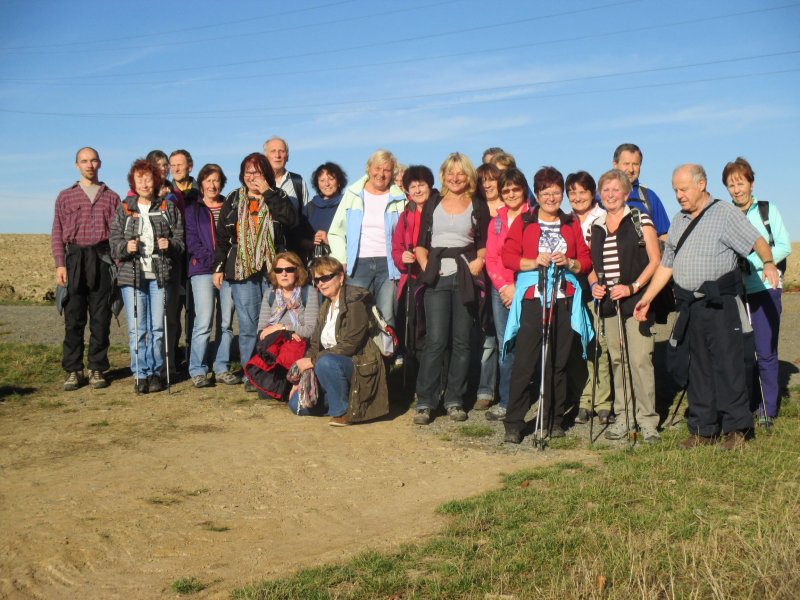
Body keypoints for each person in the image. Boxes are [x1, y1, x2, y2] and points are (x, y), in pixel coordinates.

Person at [634, 164, 779, 450]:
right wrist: (648, 296)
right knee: (697, 368)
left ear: (701, 185)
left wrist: (770, 262)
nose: (678, 195)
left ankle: (736, 430)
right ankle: (703, 428)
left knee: (729, 366)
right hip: (690, 306)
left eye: (683, 189)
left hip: (721, 304)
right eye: (675, 189)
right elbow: (668, 265)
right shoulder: (678, 220)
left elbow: (756, 240)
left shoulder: (723, 212)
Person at [501, 166, 592, 442]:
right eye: (545, 192)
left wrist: (572, 263)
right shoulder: (525, 221)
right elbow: (507, 255)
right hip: (533, 300)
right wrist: (533, 261)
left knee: (558, 361)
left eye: (556, 192)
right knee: (526, 362)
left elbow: (585, 259)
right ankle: (514, 423)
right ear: (537, 194)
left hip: (564, 300)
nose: (551, 198)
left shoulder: (570, 223)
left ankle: (552, 420)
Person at [413, 153, 490, 424]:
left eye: (460, 173)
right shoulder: (433, 202)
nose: (455, 177)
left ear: (468, 176)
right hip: (437, 276)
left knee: (462, 341)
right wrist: (425, 265)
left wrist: (480, 260)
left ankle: (455, 400)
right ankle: (425, 401)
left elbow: (483, 241)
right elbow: (421, 242)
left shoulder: (477, 204)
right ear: (444, 175)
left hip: (465, 276)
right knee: (435, 340)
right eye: (450, 173)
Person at [213, 153, 297, 392]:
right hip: (242, 269)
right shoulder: (232, 199)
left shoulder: (277, 195)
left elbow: (291, 221)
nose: (252, 177)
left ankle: (272, 371)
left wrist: (269, 193)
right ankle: (251, 372)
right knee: (249, 325)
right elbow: (221, 238)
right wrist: (218, 267)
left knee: (275, 321)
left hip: (273, 268)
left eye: (257, 172)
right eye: (248, 172)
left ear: (266, 175)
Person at [589, 170, 661, 442]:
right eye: (605, 190)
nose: (610, 194)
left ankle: (647, 421)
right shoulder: (595, 225)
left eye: (615, 190)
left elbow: (655, 260)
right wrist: (595, 283)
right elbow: (593, 268)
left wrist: (633, 287)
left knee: (640, 360)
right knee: (618, 360)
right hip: (609, 304)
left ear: (626, 193)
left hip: (636, 300)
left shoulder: (640, 219)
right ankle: (624, 417)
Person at [723, 157, 791, 427]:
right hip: (737, 292)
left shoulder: (767, 210)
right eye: (731, 185)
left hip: (765, 289)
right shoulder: (726, 215)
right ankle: (747, 405)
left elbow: (784, 245)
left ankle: (767, 409)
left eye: (740, 183)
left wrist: (758, 262)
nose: (736, 189)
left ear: (751, 183)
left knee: (765, 351)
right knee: (742, 352)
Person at [110, 159, 184, 393]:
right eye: (139, 178)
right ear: (133, 181)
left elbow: (181, 243)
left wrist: (169, 244)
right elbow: (113, 244)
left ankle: (156, 373)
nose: (143, 182)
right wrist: (125, 248)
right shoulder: (125, 208)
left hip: (160, 276)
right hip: (132, 277)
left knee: (158, 328)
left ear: (156, 181)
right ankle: (140, 374)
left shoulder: (167, 208)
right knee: (137, 329)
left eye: (148, 178)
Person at [51, 147, 121, 391]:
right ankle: (73, 370)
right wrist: (60, 264)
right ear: (76, 165)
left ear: (99, 163)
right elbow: (57, 232)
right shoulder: (65, 197)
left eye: (93, 161)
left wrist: (118, 269)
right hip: (74, 261)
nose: (89, 165)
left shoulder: (112, 197)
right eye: (84, 161)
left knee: (101, 319)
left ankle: (96, 368)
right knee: (74, 319)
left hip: (102, 260)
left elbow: (117, 236)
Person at [289, 257, 388, 425]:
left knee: (325, 363)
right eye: (317, 280)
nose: (321, 283)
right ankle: (347, 400)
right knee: (296, 405)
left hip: (359, 364)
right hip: (329, 365)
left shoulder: (356, 300)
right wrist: (303, 377)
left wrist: (313, 361)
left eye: (326, 277)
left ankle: (343, 412)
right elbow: (314, 345)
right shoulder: (325, 307)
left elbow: (350, 344)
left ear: (341, 277)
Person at [327, 149, 407, 329]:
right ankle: (358, 356)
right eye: (377, 168)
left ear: (392, 173)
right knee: (357, 314)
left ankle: (388, 355)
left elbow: (405, 235)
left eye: (387, 170)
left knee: (386, 314)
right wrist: (341, 258)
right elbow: (335, 232)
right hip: (358, 265)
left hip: (388, 266)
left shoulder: (400, 198)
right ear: (369, 169)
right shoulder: (353, 194)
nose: (381, 174)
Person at [185, 164, 240, 388]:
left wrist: (224, 265)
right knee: (204, 321)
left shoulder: (231, 206)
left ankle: (221, 366)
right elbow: (192, 241)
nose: (212, 185)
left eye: (216, 180)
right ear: (201, 183)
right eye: (207, 180)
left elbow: (235, 238)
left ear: (222, 182)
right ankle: (198, 369)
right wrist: (213, 263)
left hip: (228, 271)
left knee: (226, 322)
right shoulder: (193, 209)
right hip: (202, 270)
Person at [565, 171, 613, 425]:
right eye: (572, 192)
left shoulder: (603, 218)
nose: (577, 197)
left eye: (582, 191)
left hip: (597, 289)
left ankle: (603, 401)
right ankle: (584, 399)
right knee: (578, 348)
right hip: (573, 291)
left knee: (599, 346)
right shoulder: (564, 220)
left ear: (592, 193)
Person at [483, 167, 529, 421]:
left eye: (515, 188)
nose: (511, 193)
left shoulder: (533, 217)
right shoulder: (496, 221)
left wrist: (516, 288)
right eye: (506, 190)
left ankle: (528, 396)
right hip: (500, 290)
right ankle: (506, 399)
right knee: (505, 344)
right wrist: (503, 286)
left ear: (523, 190)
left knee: (528, 343)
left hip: (526, 288)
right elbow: (491, 258)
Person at [391, 165, 437, 371]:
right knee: (410, 327)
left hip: (435, 276)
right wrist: (403, 257)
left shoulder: (440, 208)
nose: (417, 190)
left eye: (422, 185)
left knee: (432, 327)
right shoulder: (405, 214)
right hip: (411, 277)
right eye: (413, 186)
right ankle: (413, 374)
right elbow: (396, 247)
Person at [472, 162, 504, 411]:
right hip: (478, 277)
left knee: (504, 335)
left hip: (504, 279)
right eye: (482, 180)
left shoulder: (512, 206)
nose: (487, 185)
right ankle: (485, 388)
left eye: (492, 179)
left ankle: (506, 390)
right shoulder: (475, 207)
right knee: (485, 335)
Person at [611, 143, 670, 240]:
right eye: (626, 164)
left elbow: (664, 236)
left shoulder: (649, 197)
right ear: (615, 165)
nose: (631, 169)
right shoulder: (601, 197)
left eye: (635, 164)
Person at [257, 251, 319, 340]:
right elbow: (261, 331)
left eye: (289, 269)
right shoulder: (269, 293)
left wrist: (282, 327)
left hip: (300, 345)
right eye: (278, 270)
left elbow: (311, 330)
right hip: (273, 344)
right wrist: (286, 335)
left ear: (298, 271)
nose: (284, 274)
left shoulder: (309, 292)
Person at [304, 162, 348, 254]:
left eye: (331, 179)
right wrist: (312, 241)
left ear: (339, 182)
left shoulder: (347, 205)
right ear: (317, 184)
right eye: (322, 180)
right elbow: (301, 238)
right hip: (314, 263)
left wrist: (329, 240)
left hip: (339, 261)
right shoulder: (310, 207)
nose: (327, 184)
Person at [263, 136, 309, 211]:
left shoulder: (298, 181)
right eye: (273, 151)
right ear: (265, 157)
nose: (277, 155)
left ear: (287, 157)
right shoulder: (258, 181)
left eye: (281, 151)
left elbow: (306, 213)